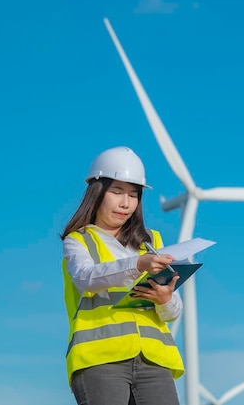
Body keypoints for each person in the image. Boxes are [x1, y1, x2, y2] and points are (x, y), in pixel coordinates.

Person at [60, 146, 185, 405]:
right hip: (100, 359)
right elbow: (86, 278)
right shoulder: (79, 240)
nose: (125, 203)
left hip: (155, 361)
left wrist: (165, 299)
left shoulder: (151, 242)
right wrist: (138, 264)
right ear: (97, 192)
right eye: (117, 192)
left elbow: (173, 312)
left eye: (133, 195)